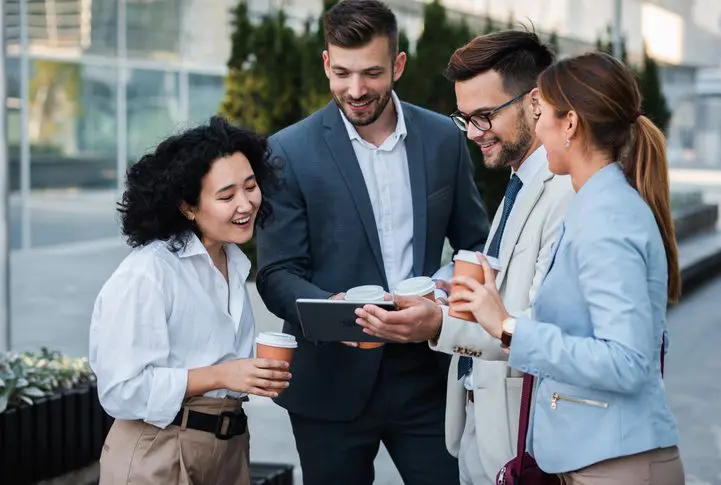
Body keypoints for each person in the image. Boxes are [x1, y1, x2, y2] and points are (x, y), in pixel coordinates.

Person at [254, 0, 490, 483]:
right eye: (341, 73)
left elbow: (474, 243)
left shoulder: (444, 138)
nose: (355, 90)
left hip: (425, 375)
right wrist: (332, 311)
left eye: (372, 74)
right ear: (325, 63)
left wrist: (445, 295)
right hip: (329, 382)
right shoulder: (286, 151)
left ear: (398, 66)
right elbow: (276, 273)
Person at [446, 51, 685, 484]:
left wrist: (508, 326)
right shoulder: (595, 205)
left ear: (570, 124)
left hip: (614, 464)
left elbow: (626, 361)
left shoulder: (608, 216)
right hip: (591, 458)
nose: (536, 127)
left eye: (543, 114)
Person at [355, 31, 574, 484]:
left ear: (535, 101)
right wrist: (448, 295)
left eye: (484, 116)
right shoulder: (520, 184)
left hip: (521, 439)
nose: (473, 133)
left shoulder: (565, 193)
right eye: (464, 118)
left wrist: (438, 325)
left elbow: (542, 327)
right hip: (478, 429)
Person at [89, 116, 292, 485]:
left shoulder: (232, 260)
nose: (246, 204)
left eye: (250, 186)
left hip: (229, 448)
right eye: (227, 196)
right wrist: (223, 374)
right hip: (159, 452)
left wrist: (251, 375)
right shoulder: (148, 273)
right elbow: (121, 390)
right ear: (187, 207)